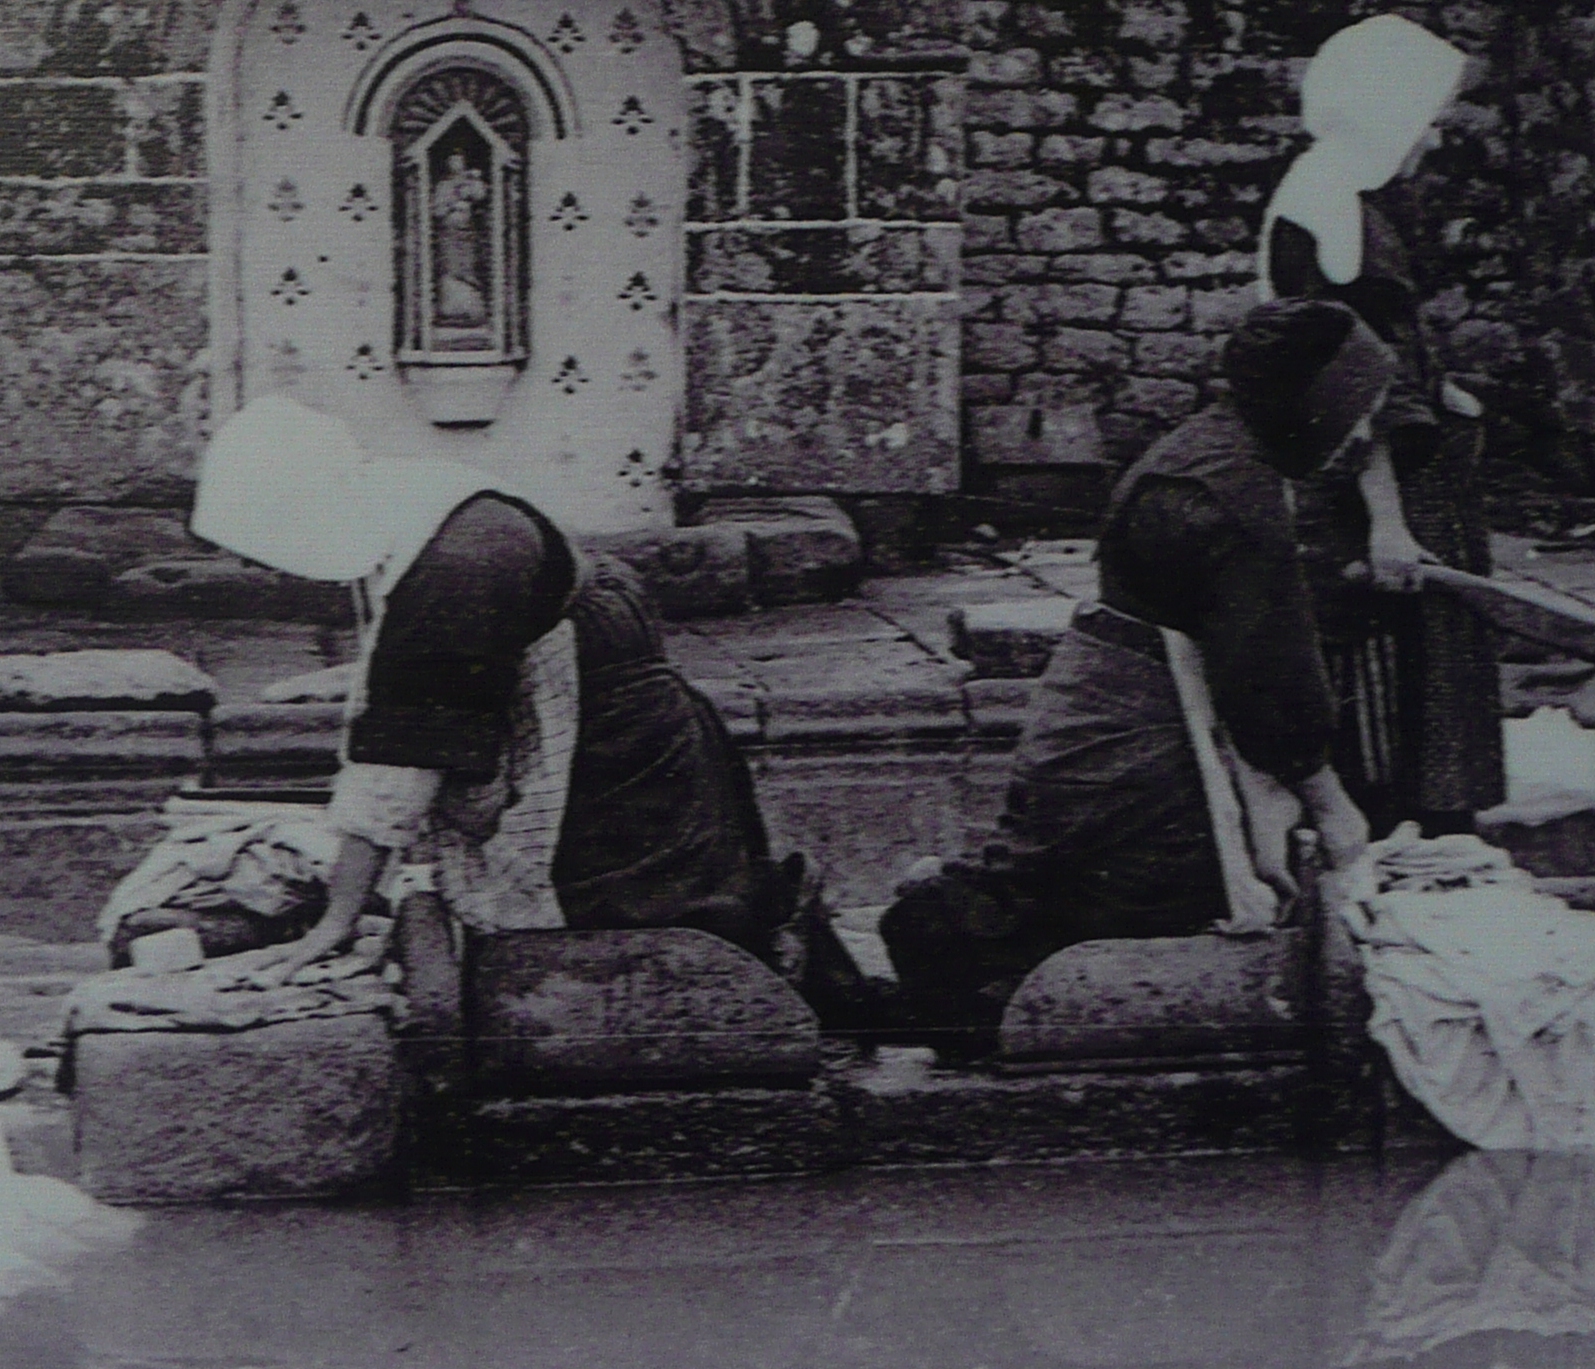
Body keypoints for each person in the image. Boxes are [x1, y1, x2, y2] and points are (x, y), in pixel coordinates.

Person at [878, 300, 1394, 1057]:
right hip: (1139, 737)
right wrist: (1335, 810)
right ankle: (943, 940)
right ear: (1315, 404)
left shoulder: (1200, 451)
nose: (1362, 437)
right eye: (1359, 413)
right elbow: (1270, 684)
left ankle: (956, 942)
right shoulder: (1236, 499)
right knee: (1147, 902)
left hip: (1096, 707)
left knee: (1059, 875)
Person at [187, 398, 814, 979]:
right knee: (685, 888)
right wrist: (361, 679)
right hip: (623, 706)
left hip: (610, 745)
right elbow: (457, 652)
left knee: (629, 915)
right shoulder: (426, 495)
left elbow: (395, 778)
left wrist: (336, 921)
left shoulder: (459, 567)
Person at [1259, 13, 1501, 840]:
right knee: (1399, 668)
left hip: (1410, 465)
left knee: (1427, 665)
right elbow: (1353, 382)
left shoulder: (1336, 196)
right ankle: (1407, 838)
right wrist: (1390, 523)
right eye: (1426, 122)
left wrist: (1446, 388)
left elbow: (1391, 347)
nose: (1430, 142)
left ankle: (1427, 830)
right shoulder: (1333, 214)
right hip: (1374, 486)